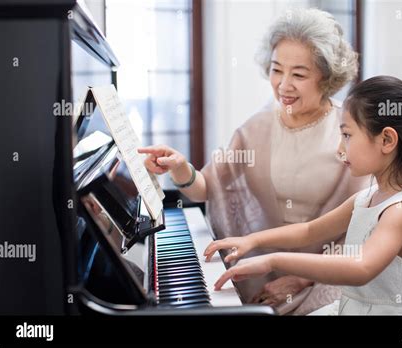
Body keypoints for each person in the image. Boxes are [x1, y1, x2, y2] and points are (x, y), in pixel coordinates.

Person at [138, 8, 369, 314]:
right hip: (264, 273)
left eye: (298, 74)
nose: (283, 85)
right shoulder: (257, 127)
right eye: (276, 70)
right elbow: (206, 188)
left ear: (326, 78)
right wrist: (180, 168)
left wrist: (301, 277)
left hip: (332, 271)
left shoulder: (347, 129)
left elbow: (365, 226)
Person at [205, 75, 402, 315]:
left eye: (347, 135)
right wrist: (252, 240)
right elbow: (309, 231)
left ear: (387, 139)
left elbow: (362, 267)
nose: (339, 149)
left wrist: (273, 261)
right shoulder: (367, 197)